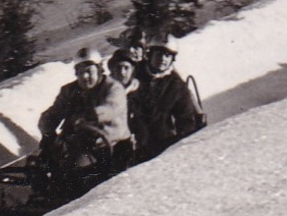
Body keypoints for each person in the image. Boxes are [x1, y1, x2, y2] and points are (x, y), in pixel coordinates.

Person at [36, 47, 131, 195]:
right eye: (81, 72)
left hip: (111, 145)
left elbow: (111, 108)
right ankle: (43, 195)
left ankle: (70, 197)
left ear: (99, 70)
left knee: (77, 164)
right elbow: (54, 112)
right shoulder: (70, 91)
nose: (85, 76)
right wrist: (47, 130)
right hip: (79, 143)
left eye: (89, 71)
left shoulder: (113, 88)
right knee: (46, 160)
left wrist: (90, 115)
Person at [131, 36, 205, 163]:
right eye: (159, 54)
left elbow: (185, 118)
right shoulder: (134, 73)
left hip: (162, 143)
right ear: (150, 54)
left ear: (172, 59)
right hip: (133, 141)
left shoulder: (176, 85)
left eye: (167, 55)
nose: (162, 59)